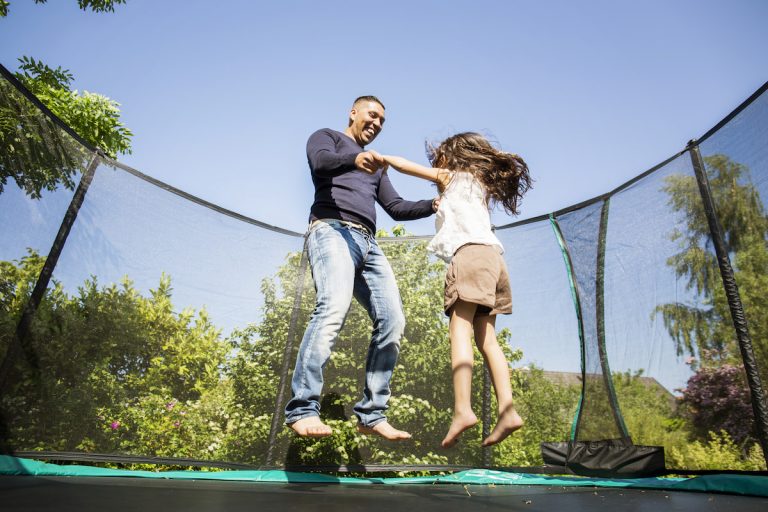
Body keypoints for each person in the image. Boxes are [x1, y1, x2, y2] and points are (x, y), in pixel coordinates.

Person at [284, 96, 437, 440]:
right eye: (372, 115)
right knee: (332, 307)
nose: (377, 123)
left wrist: (433, 204)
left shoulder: (376, 166)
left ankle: (371, 413)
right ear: (354, 112)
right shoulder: (327, 138)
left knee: (393, 319)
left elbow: (396, 207)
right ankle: (303, 409)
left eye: (383, 120)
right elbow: (321, 163)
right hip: (332, 229)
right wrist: (354, 158)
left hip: (369, 243)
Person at [383, 132, 532, 447]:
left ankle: (463, 409)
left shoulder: (453, 176)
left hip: (471, 257)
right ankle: (508, 410)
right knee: (487, 340)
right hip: (495, 261)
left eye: (438, 161)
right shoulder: (478, 185)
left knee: (459, 332)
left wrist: (383, 160)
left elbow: (405, 166)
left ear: (449, 158)